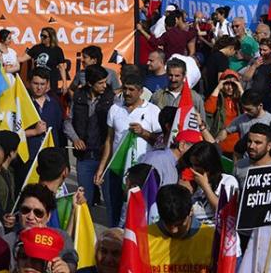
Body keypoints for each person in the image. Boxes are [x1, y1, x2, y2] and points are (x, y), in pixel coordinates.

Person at [95, 73, 161, 227]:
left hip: (141, 173)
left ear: (140, 91)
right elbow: (109, 140)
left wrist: (143, 132)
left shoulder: (153, 111)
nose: (127, 93)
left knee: (137, 213)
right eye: (125, 88)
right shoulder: (114, 109)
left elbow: (159, 142)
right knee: (114, 209)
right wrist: (101, 168)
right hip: (117, 169)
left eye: (131, 89)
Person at [64, 64, 115, 205]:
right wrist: (75, 139)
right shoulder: (78, 96)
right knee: (84, 199)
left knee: (110, 199)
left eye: (106, 81)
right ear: (90, 83)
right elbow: (68, 121)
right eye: (100, 83)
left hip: (104, 156)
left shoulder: (112, 99)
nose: (105, 86)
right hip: (84, 156)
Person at [1, 185, 78, 270]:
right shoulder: (5, 243)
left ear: (48, 216)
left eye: (38, 213)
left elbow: (72, 260)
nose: (30, 217)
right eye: (25, 210)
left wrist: (67, 267)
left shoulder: (62, 237)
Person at [146, 185, 215, 270]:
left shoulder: (212, 238)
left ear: (191, 211)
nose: (173, 230)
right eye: (168, 224)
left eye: (179, 224)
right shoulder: (143, 238)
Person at [178, 141, 239, 225]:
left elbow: (225, 212)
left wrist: (205, 187)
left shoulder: (228, 181)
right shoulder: (194, 185)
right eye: (191, 165)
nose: (193, 169)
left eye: (197, 165)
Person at [25, 67, 63, 160]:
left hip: (51, 157)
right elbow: (15, 133)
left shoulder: (54, 103)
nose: (39, 87)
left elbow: (60, 131)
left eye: (42, 84)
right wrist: (34, 132)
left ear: (48, 84)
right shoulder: (22, 104)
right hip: (29, 157)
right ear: (29, 83)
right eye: (35, 83)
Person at [205, 70, 243, 155]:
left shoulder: (239, 100)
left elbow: (248, 107)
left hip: (237, 144)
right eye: (227, 84)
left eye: (233, 85)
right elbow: (208, 110)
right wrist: (218, 88)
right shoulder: (218, 98)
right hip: (220, 142)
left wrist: (240, 88)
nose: (230, 88)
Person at [20, 27, 67, 94]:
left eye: (44, 36)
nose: (42, 38)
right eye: (41, 35)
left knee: (50, 101)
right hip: (37, 82)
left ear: (51, 37)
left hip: (51, 82)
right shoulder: (36, 48)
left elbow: (61, 67)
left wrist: (64, 83)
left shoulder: (57, 50)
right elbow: (22, 59)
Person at [234, 122, 271, 189]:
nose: (251, 146)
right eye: (249, 141)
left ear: (269, 146)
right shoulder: (239, 166)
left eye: (257, 143)